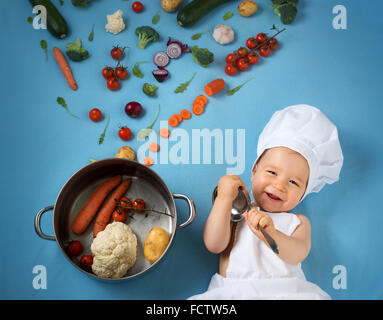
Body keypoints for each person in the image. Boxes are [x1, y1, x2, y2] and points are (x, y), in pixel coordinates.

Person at [188, 104, 344, 300]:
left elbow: (297, 254)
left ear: (304, 193)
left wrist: (272, 234)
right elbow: (214, 245)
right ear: (254, 172)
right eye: (272, 172)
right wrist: (224, 199)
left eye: (293, 182)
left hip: (286, 293)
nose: (279, 186)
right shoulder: (238, 212)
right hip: (234, 292)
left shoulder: (298, 222)